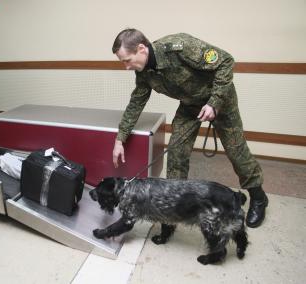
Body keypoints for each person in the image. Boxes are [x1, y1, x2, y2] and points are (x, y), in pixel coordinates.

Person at [111, 28, 268, 228]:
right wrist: (120, 139)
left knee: (236, 152)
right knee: (176, 153)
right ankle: (174, 208)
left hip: (221, 101)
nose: (126, 67)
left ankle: (259, 197)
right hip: (190, 106)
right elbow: (136, 104)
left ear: (141, 48)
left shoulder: (179, 47)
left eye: (127, 60)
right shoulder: (143, 73)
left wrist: (214, 102)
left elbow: (226, 61)